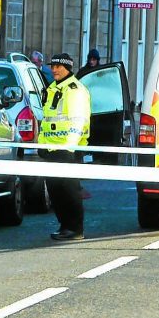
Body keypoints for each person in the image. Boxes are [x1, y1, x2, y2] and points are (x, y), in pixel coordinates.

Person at [38, 53, 91, 241]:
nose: (54, 70)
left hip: (69, 150)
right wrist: (42, 144)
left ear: (68, 68)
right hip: (52, 150)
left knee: (70, 191)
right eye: (52, 66)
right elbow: (47, 121)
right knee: (55, 191)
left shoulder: (75, 91)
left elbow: (78, 122)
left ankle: (76, 229)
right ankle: (64, 226)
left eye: (58, 67)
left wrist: (69, 148)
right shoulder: (52, 88)